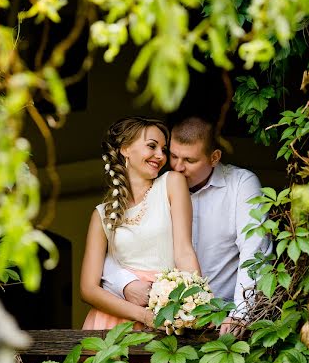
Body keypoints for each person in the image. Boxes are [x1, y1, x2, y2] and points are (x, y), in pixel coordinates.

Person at [101, 116, 272, 335]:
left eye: (189, 161)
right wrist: (124, 284)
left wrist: (240, 314)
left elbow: (254, 250)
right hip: (167, 323)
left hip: (224, 319)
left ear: (214, 158)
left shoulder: (241, 184)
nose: (178, 167)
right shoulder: (158, 183)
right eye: (173, 156)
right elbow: (121, 244)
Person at [80, 116, 201, 330]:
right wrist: (143, 315)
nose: (160, 156)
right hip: (113, 320)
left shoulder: (172, 183)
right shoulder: (101, 215)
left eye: (163, 149)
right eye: (152, 146)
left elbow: (184, 251)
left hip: (166, 312)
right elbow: (88, 289)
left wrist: (197, 303)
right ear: (125, 149)